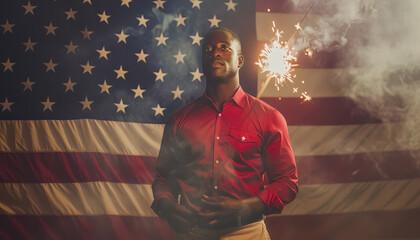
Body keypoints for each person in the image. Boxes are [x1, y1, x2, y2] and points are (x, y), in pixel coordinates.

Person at [151, 27, 298, 240]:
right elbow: (163, 178)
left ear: (240, 61)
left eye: (224, 48)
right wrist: (167, 205)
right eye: (208, 50)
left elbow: (287, 182)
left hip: (247, 233)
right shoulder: (179, 120)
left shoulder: (269, 117)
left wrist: (245, 207)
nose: (215, 53)